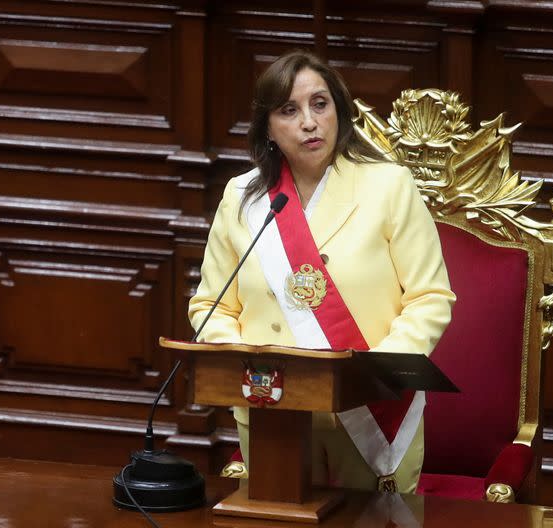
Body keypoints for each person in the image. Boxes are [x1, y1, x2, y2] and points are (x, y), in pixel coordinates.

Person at [188, 50, 455, 493]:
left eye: (320, 104)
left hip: (368, 407)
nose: (309, 122)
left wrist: (377, 372)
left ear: (339, 111)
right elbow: (210, 306)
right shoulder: (242, 198)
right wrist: (252, 371)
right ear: (268, 128)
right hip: (273, 409)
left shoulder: (388, 186)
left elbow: (430, 297)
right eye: (289, 111)